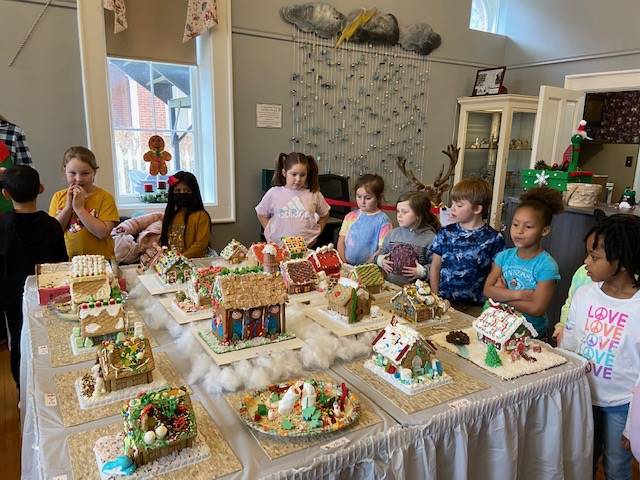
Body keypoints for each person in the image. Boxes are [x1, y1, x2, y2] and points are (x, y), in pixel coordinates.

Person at [560, 214, 640, 480]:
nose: (586, 262)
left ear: (621, 262)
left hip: (623, 405)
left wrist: (634, 425)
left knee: (617, 466)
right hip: (583, 398)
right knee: (582, 460)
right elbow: (570, 345)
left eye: (594, 257)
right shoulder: (585, 294)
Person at [0, 166, 67, 388]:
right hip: (48, 295)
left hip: (12, 298)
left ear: (6, 194)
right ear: (40, 189)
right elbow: (61, 265)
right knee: (50, 336)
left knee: (19, 340)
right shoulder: (52, 225)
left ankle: (23, 388)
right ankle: (53, 380)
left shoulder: (2, 226)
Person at [483, 186, 564, 338]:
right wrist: (521, 294)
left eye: (528, 227)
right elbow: (487, 290)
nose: (519, 231)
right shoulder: (503, 257)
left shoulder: (547, 265)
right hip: (500, 325)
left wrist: (501, 295)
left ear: (544, 230)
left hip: (530, 334)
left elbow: (536, 308)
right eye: (515, 224)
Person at [429, 178, 504, 316]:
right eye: (453, 203)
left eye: (459, 205)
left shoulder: (494, 238)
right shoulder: (445, 233)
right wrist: (434, 297)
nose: (452, 208)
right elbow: (435, 266)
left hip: (477, 308)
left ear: (477, 208)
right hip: (444, 303)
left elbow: (496, 274)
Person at [49, 146, 119, 258]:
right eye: (72, 173)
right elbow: (53, 232)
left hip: (101, 262)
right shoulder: (58, 197)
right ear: (65, 171)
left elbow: (103, 233)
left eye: (85, 173)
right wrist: (68, 208)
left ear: (94, 173)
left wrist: (79, 209)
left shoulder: (105, 198)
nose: (78, 179)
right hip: (69, 262)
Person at [256, 152, 330, 247]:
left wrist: (317, 232)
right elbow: (261, 214)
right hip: (278, 247)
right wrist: (268, 231)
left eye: (302, 175)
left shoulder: (314, 194)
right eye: (294, 174)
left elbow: (325, 215)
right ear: (284, 173)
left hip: (306, 248)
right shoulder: (273, 193)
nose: (298, 179)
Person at [375, 190, 439, 286]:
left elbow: (437, 268)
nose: (399, 215)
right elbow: (381, 253)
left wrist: (423, 271)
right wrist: (380, 260)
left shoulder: (431, 239)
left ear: (418, 215)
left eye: (404, 212)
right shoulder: (393, 234)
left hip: (415, 292)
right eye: (398, 211)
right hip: (390, 287)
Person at [337, 174, 392, 265]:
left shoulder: (383, 221)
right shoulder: (350, 217)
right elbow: (341, 241)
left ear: (379, 198)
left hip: (369, 269)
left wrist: (365, 266)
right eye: (359, 197)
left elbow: (382, 249)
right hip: (346, 265)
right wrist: (344, 262)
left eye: (368, 198)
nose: (362, 202)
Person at [159, 171, 210, 258]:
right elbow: (166, 242)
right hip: (173, 263)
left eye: (187, 190)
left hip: (195, 263)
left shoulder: (201, 216)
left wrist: (181, 258)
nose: (182, 193)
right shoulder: (171, 215)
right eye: (178, 190)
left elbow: (200, 245)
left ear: (194, 192)